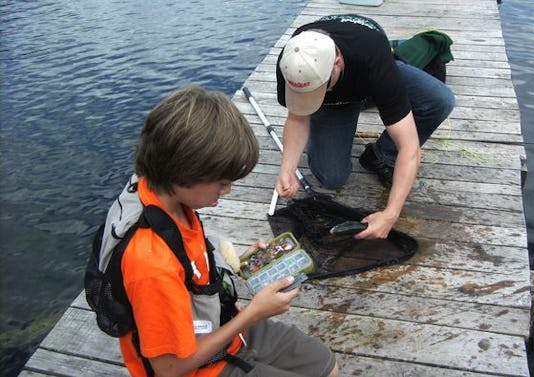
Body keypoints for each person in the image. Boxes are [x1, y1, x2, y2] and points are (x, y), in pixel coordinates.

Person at [116, 86, 339, 377]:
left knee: (326, 367)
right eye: (221, 182)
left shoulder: (162, 195)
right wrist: (252, 314)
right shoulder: (150, 264)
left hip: (219, 323)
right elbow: (169, 368)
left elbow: (187, 267)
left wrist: (237, 263)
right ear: (182, 173)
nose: (228, 190)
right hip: (194, 366)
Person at [275, 14, 455, 240]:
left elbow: (410, 147)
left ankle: (381, 154)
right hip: (339, 97)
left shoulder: (372, 59)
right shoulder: (293, 61)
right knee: (332, 177)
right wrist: (287, 168)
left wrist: (390, 214)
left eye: (319, 87)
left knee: (439, 100)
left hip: (369, 64)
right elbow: (298, 118)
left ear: (337, 63)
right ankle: (337, 112)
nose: (313, 95)